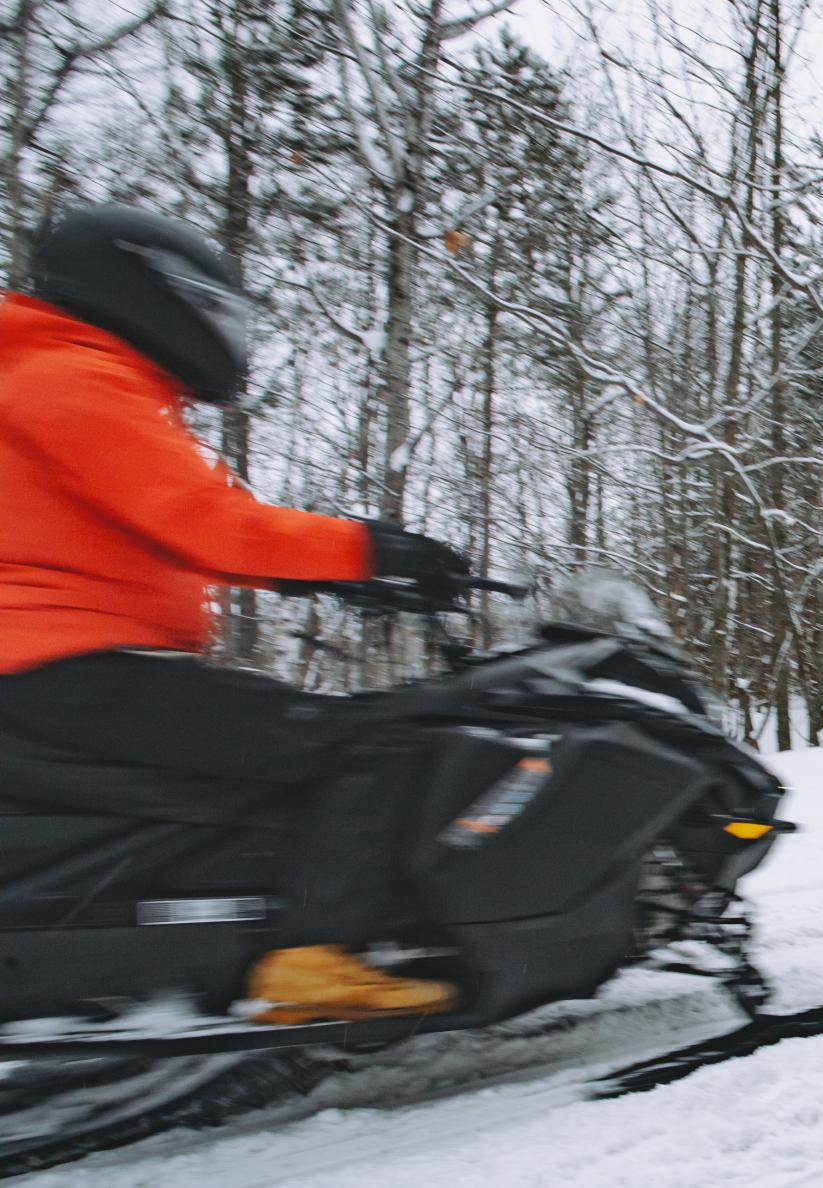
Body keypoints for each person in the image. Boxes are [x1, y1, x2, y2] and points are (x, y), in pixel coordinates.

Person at [0, 204, 472, 1023]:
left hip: (55, 669)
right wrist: (371, 552)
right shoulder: (76, 377)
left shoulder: (43, 373)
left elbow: (154, 531)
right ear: (151, 291)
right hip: (67, 669)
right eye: (214, 309)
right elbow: (208, 524)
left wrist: (329, 578)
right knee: (374, 740)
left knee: (274, 770)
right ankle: (312, 959)